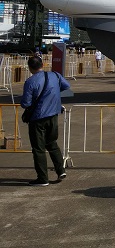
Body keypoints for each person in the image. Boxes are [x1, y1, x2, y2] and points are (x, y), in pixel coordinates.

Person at [20, 56, 71, 186]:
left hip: (38, 118)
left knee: (38, 149)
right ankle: (61, 170)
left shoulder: (30, 81)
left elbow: (26, 103)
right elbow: (67, 85)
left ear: (30, 67)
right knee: (52, 143)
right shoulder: (55, 75)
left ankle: (43, 178)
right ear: (43, 64)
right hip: (53, 115)